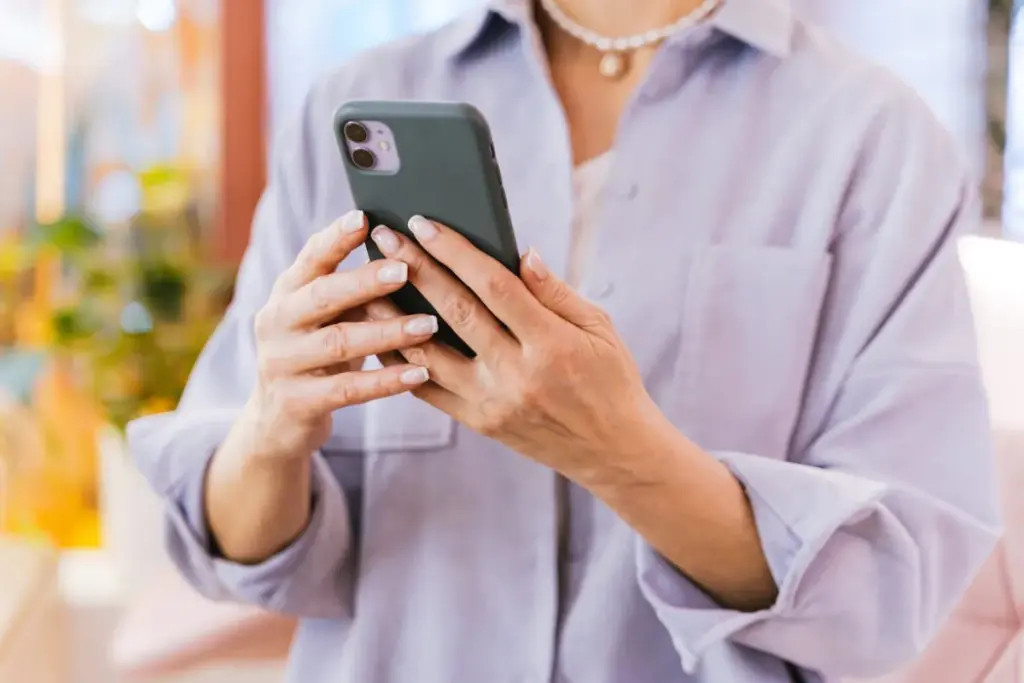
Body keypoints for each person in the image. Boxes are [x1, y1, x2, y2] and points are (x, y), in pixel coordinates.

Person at [128, 0, 1001, 681]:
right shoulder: (353, 106)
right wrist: (273, 428)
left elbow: (889, 590)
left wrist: (624, 453)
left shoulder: (875, 139)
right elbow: (240, 553)